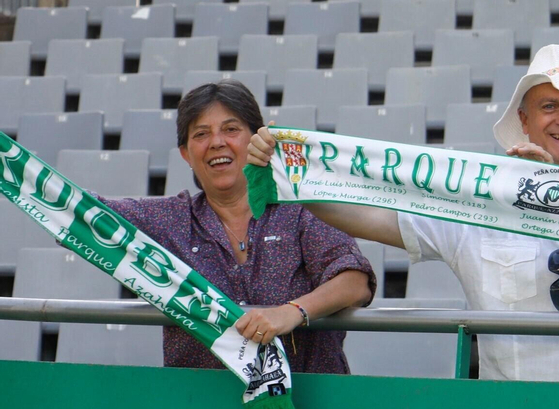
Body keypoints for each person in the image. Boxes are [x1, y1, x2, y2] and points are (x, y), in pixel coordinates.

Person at [245, 43, 559, 384]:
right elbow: (373, 221)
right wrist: (292, 180)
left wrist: (551, 183)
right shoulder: (475, 194)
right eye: (548, 107)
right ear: (524, 120)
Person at [102, 81, 374, 371]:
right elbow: (79, 212)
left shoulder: (301, 207)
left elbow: (355, 282)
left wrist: (293, 312)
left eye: (231, 130)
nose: (217, 142)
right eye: (201, 134)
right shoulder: (168, 219)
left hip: (313, 399)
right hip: (199, 404)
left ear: (257, 141)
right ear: (185, 154)